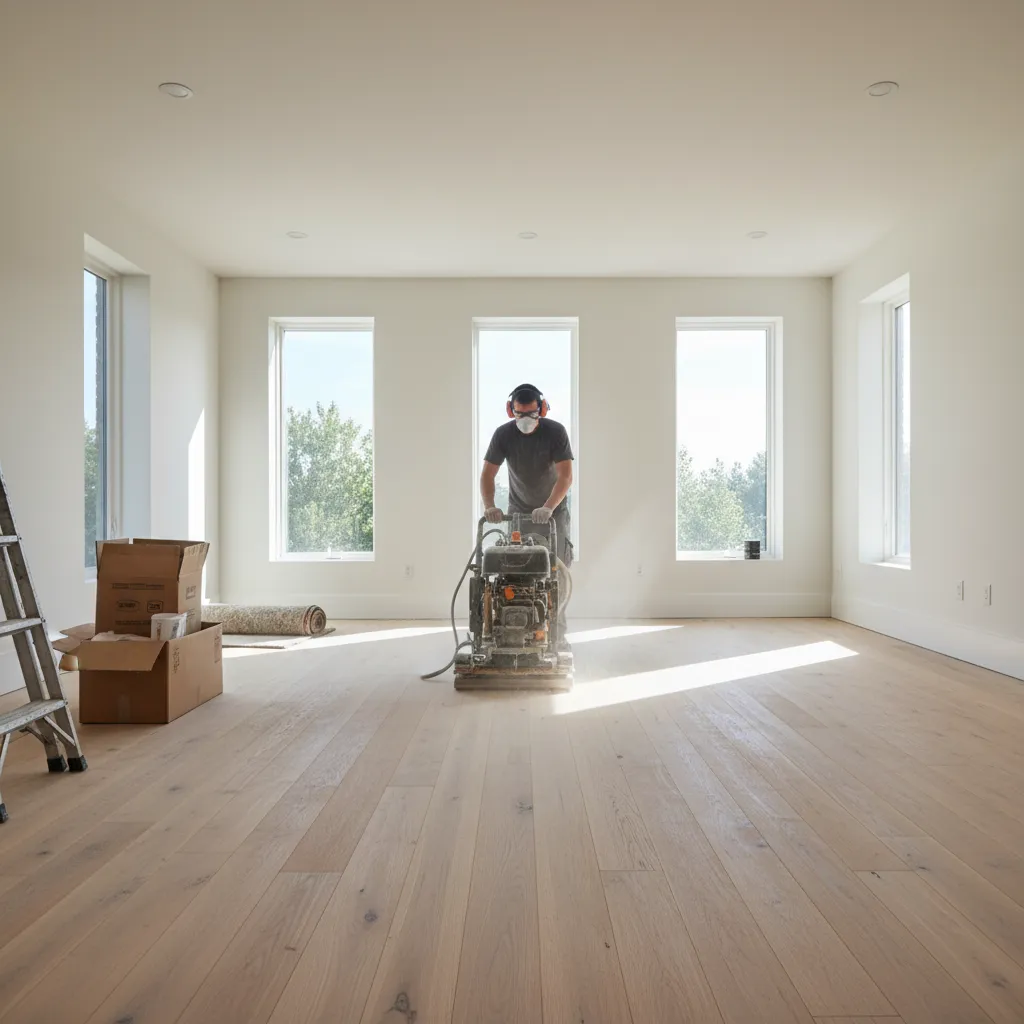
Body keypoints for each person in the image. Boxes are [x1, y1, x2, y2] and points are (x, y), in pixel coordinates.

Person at [480, 383, 574, 638]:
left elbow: (565, 476)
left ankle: (556, 635)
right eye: (519, 414)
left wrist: (548, 507)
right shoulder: (503, 435)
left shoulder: (555, 432)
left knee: (556, 571)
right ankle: (517, 629)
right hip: (519, 511)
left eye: (531, 414)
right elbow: (487, 475)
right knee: (516, 568)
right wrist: (490, 506)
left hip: (553, 511)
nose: (525, 419)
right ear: (511, 411)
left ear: (541, 410)